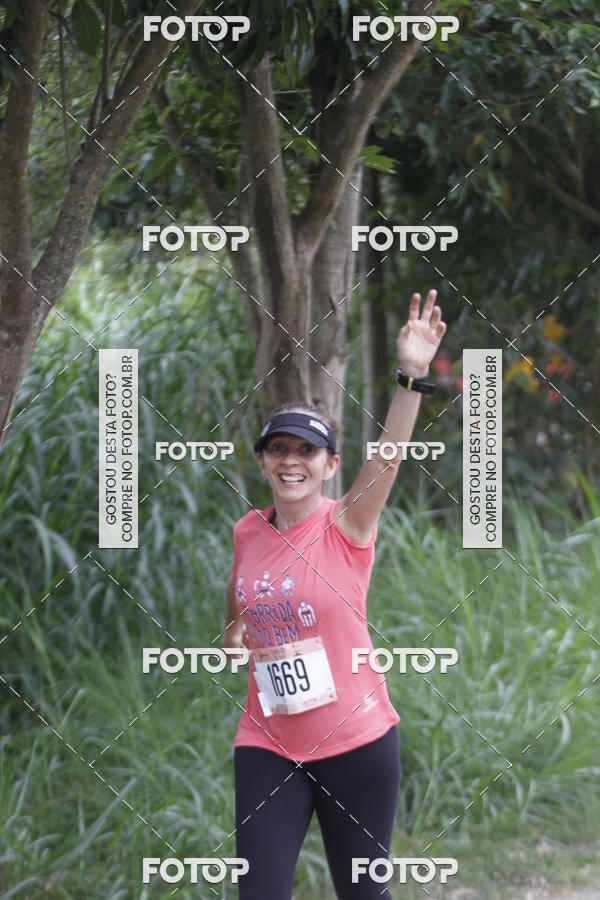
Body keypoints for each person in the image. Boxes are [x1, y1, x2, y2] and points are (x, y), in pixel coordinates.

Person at [222, 290, 447, 898]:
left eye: (306, 451)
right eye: (278, 449)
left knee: (362, 894)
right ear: (264, 462)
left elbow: (390, 458)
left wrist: (411, 378)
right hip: (267, 741)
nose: (290, 460)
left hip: (357, 742)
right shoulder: (249, 529)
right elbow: (238, 605)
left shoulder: (347, 526)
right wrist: (234, 635)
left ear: (328, 465)